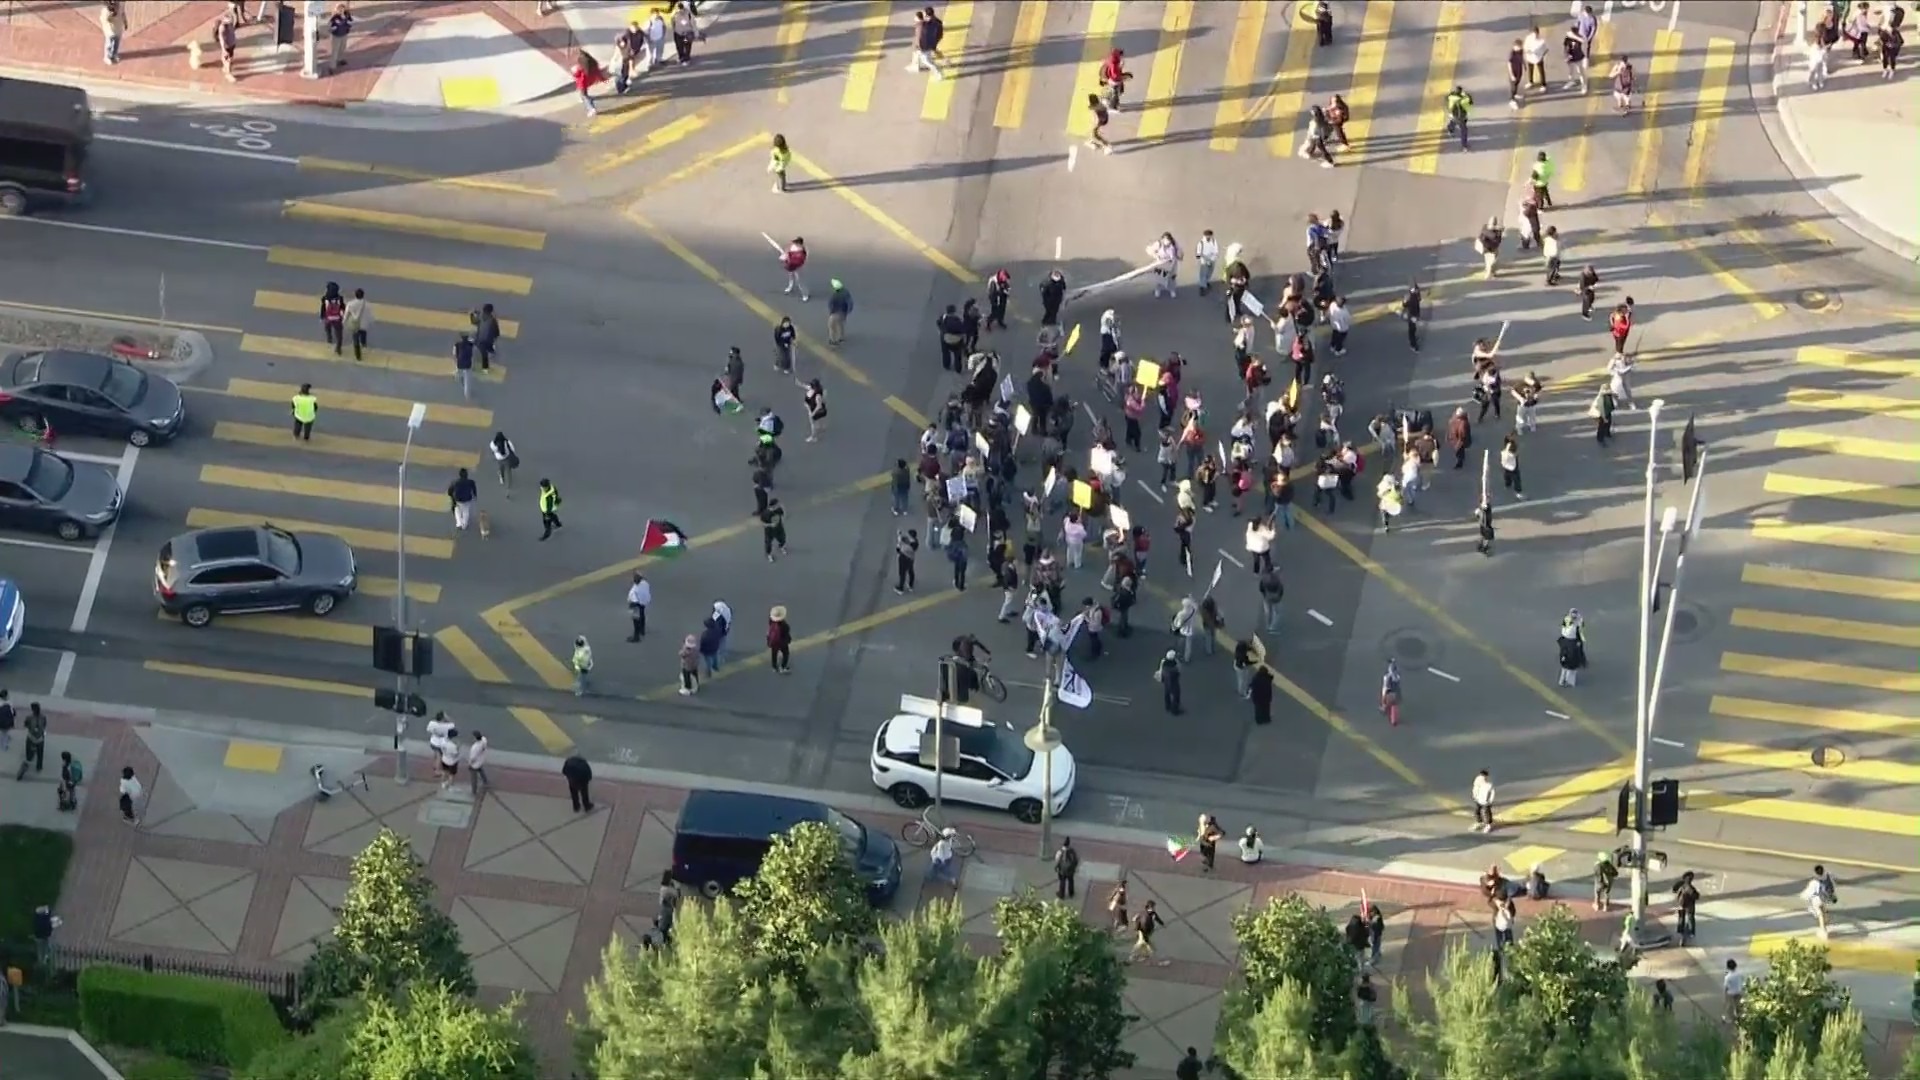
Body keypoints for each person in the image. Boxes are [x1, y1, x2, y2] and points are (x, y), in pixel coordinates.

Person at [766, 606, 793, 673]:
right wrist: (789, 640)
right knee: (786, 653)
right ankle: (783, 667)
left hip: (774, 642)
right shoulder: (784, 625)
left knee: (774, 653)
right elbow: (786, 635)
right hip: (782, 643)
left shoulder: (771, 621)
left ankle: (774, 667)